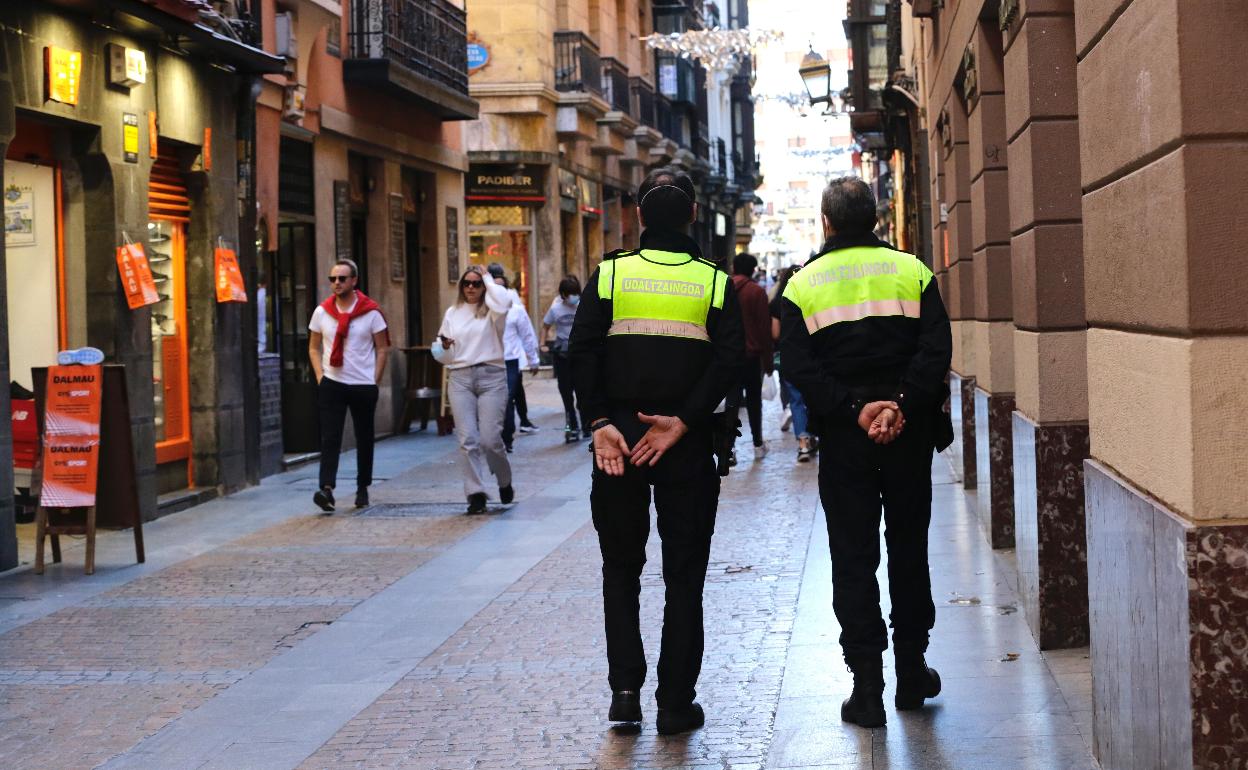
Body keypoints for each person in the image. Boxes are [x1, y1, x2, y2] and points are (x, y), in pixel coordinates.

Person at [569, 166, 744, 736]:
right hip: (685, 445)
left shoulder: (611, 275)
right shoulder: (715, 282)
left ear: (639, 217)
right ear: (694, 215)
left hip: (617, 442)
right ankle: (675, 703)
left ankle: (625, 692)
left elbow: (582, 352)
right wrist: (684, 422)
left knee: (620, 567)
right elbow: (728, 362)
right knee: (684, 574)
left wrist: (599, 422)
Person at [779, 177, 953, 728]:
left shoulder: (802, 286)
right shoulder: (913, 271)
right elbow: (936, 349)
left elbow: (800, 368)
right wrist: (898, 406)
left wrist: (855, 408)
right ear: (875, 219)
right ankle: (911, 672)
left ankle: (866, 688)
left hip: (847, 443)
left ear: (826, 223)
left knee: (853, 556)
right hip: (908, 436)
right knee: (908, 548)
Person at [307, 258, 389, 512]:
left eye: (342, 278)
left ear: (354, 281)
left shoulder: (371, 312)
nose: (336, 283)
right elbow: (313, 346)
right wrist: (321, 376)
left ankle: (363, 486)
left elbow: (383, 348)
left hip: (363, 385)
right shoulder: (322, 312)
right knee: (330, 437)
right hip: (333, 382)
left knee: (365, 438)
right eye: (332, 279)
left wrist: (374, 381)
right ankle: (326, 488)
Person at [433, 265, 515, 514]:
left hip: (491, 376)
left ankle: (504, 480)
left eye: (476, 283)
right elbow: (441, 354)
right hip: (460, 377)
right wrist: (445, 346)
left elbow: (504, 301)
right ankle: (475, 493)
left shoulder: (493, 311)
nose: (470, 288)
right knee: (467, 439)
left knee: (491, 439)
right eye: (466, 283)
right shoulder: (453, 312)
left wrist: (488, 278)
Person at [725, 252, 772, 462]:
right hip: (751, 358)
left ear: (734, 268)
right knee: (754, 403)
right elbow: (764, 330)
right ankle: (757, 443)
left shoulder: (723, 289)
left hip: (728, 357)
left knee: (731, 402)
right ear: (753, 270)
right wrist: (769, 363)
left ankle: (729, 449)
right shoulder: (756, 292)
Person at [769, 266, 816, 463]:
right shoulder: (812, 295)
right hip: (813, 355)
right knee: (813, 396)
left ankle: (803, 442)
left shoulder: (777, 302)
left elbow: (775, 334)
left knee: (795, 400)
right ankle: (816, 434)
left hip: (789, 356)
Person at [495, 275, 541, 452]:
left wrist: (533, 360)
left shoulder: (516, 311)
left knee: (506, 399)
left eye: (501, 288)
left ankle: (506, 439)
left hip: (510, 362)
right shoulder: (484, 312)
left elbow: (527, 336)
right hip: (490, 362)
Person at [542, 276, 588, 444]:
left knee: (582, 392)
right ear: (562, 294)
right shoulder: (555, 309)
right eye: (569, 294)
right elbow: (545, 325)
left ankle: (586, 426)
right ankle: (571, 428)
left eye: (575, 293)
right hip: (562, 355)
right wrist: (543, 344)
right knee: (566, 394)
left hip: (580, 354)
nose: (572, 297)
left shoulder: (584, 305)